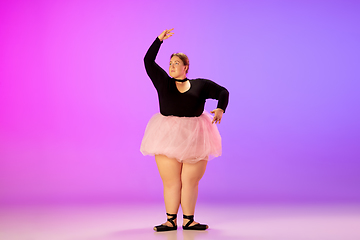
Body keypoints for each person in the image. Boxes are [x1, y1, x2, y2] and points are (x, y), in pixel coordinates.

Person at [140, 28, 229, 231]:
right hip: (167, 136)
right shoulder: (163, 82)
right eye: (170, 64)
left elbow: (223, 91)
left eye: (176, 64)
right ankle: (170, 220)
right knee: (171, 182)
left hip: (196, 136)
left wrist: (221, 109)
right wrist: (158, 40)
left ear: (186, 67)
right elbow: (148, 61)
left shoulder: (200, 85)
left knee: (190, 181)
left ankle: (189, 220)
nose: (171, 67)